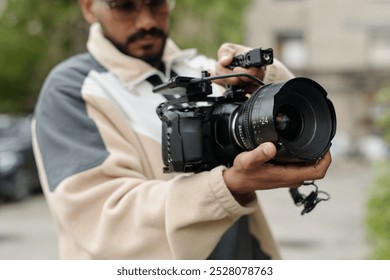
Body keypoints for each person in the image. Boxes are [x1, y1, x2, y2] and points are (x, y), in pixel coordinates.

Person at [32, 0, 332, 260]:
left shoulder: (207, 69)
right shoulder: (73, 89)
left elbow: (299, 124)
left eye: (156, 3)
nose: (147, 20)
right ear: (88, 7)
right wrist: (227, 186)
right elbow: (101, 222)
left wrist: (263, 76)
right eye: (124, 5)